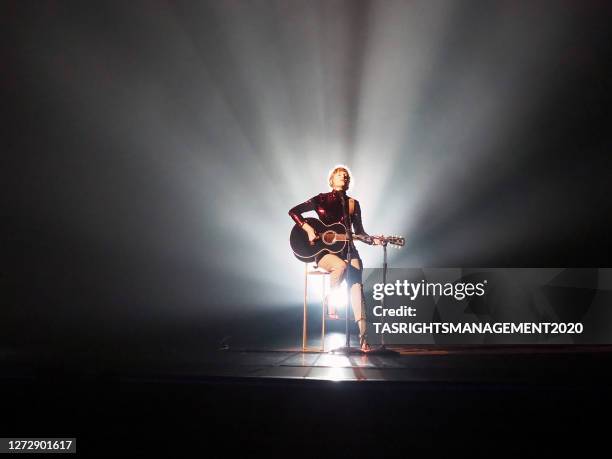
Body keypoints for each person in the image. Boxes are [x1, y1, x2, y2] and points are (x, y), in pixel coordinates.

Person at [288, 165, 381, 351]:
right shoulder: (321, 199)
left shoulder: (353, 203)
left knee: (357, 288)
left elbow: (359, 232)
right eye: (339, 175)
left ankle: (364, 339)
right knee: (341, 267)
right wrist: (307, 228)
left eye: (346, 175)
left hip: (348, 248)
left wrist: (374, 240)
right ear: (332, 179)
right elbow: (293, 211)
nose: (343, 177)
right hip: (323, 252)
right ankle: (331, 299)